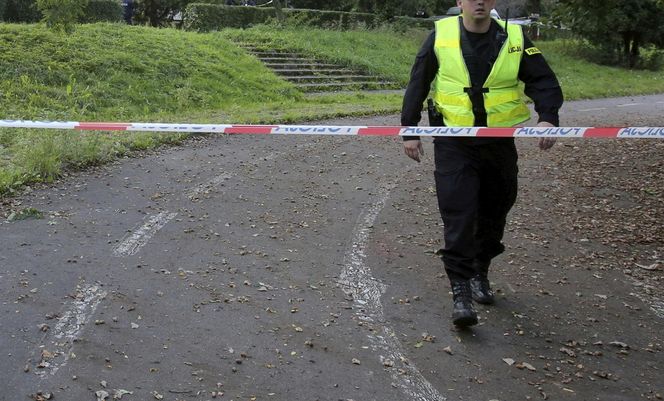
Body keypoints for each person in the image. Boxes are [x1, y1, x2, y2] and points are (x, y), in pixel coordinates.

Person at [401, 0, 563, 327]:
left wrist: (548, 117)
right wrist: (409, 129)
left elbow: (543, 79)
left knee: (496, 208)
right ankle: (460, 291)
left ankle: (480, 269)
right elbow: (418, 80)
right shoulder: (440, 35)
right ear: (460, 2)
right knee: (458, 211)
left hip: (498, 142)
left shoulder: (515, 38)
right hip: (453, 140)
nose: (478, 1)